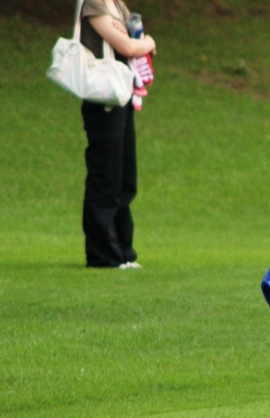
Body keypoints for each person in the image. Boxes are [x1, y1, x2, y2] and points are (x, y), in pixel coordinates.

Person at [79, 0, 156, 268]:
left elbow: (134, 36)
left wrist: (141, 42)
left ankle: (123, 251)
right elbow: (127, 46)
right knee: (106, 177)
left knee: (125, 177)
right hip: (102, 99)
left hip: (121, 94)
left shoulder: (116, 4)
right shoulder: (93, 4)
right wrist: (148, 42)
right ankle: (102, 254)